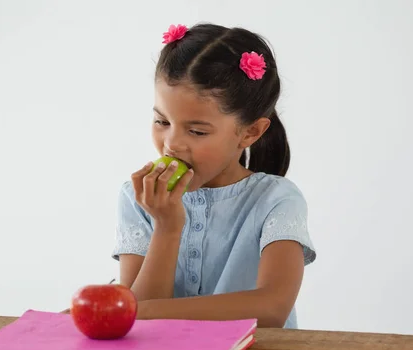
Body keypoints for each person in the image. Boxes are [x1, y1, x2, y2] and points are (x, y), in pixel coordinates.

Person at [111, 23, 316, 328]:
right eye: (161, 121)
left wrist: (134, 310)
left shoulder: (276, 200)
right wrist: (167, 226)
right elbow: (136, 326)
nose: (172, 144)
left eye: (196, 131)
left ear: (250, 132)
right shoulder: (138, 197)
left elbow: (272, 308)